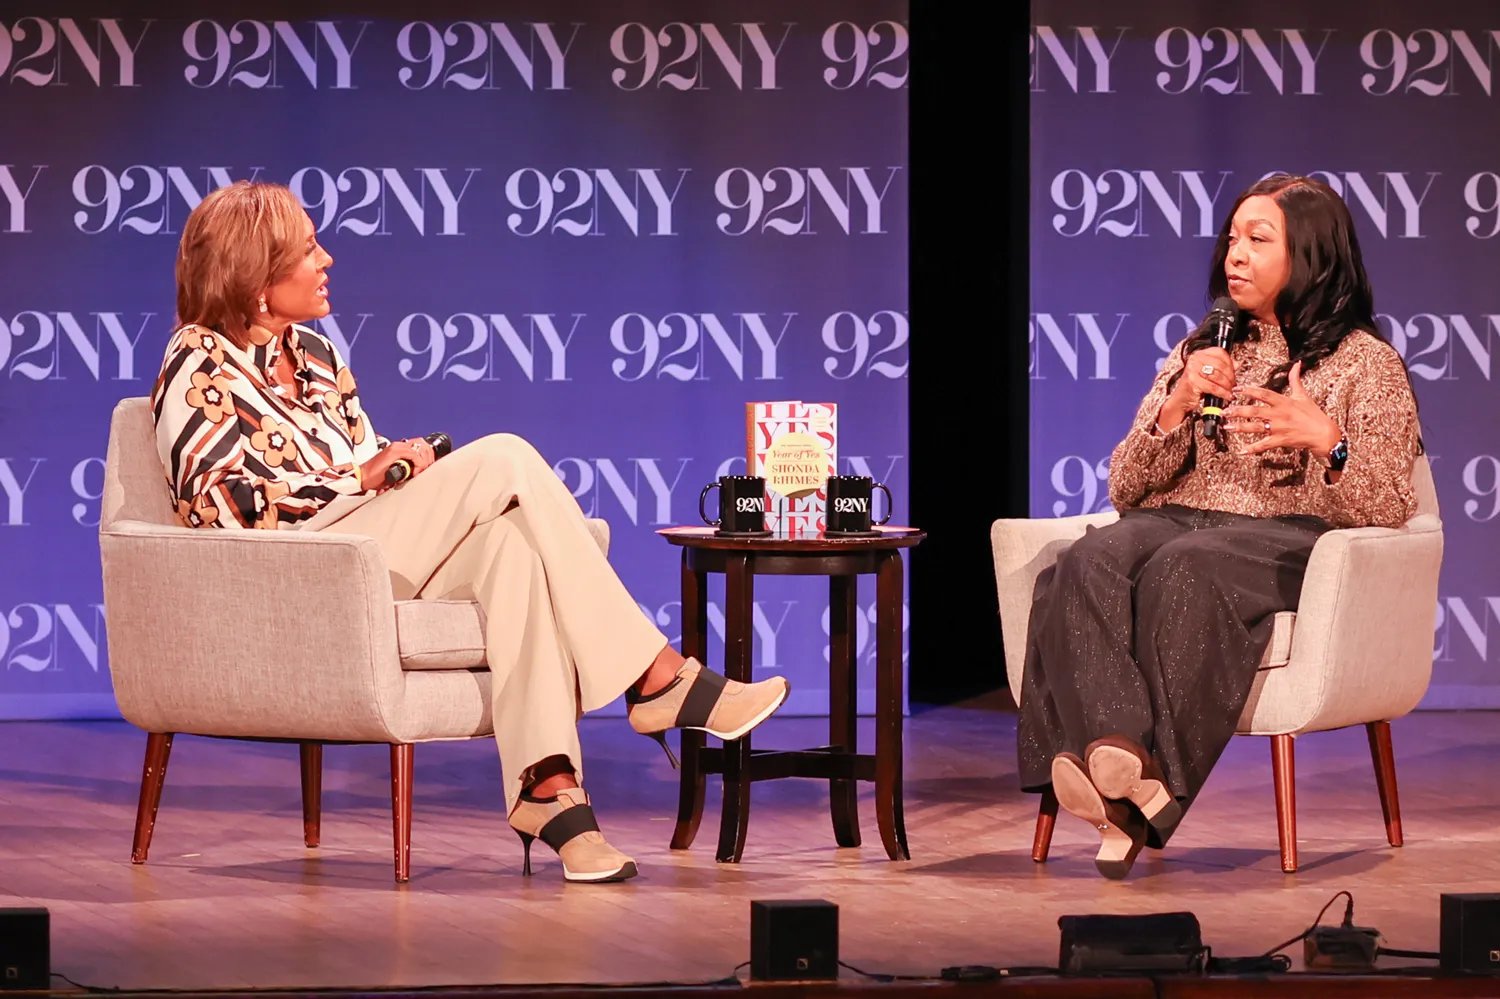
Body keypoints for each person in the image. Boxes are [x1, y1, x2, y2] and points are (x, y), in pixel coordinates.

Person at [151, 180, 791, 884]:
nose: (327, 258)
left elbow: (361, 459)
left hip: (373, 555)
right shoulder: (197, 361)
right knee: (508, 455)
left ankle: (549, 790)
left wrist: (396, 466)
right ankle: (655, 676)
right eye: (308, 250)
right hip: (302, 575)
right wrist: (359, 482)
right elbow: (215, 506)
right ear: (257, 276)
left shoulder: (318, 358)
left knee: (514, 548)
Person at [1015, 173, 1421, 878]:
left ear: (1311, 256)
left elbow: (1388, 501)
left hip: (1293, 533)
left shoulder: (1367, 363)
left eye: (1259, 240)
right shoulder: (1206, 346)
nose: (1235, 254)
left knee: (1187, 567)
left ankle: (1127, 791)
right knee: (1079, 562)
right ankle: (1129, 767)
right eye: (1232, 238)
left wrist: (1328, 439)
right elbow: (1127, 487)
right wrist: (1175, 405)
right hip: (1179, 517)